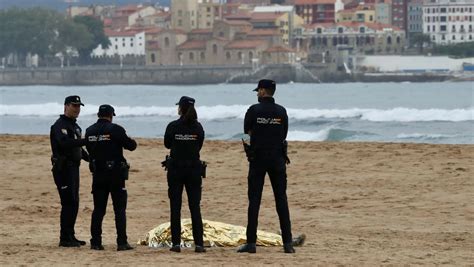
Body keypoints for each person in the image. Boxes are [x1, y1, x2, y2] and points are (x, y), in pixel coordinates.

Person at [238, 79, 295, 254]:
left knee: (254, 200)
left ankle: (251, 243)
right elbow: (284, 132)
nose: (257, 94)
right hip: (277, 159)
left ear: (263, 91)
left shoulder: (253, 110)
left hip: (258, 159)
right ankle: (288, 243)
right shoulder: (281, 111)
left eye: (258, 91)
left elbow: (246, 130)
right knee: (281, 200)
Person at [85, 104, 137, 251]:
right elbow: (131, 146)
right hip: (115, 174)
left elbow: (89, 149)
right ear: (111, 115)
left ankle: (95, 242)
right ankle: (121, 242)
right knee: (119, 209)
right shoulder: (116, 129)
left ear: (98, 115)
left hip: (98, 173)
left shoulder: (89, 131)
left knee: (98, 209)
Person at [164, 96, 206, 253]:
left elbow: (167, 144)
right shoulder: (198, 127)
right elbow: (199, 145)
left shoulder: (173, 126)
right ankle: (199, 244)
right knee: (195, 207)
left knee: (175, 207)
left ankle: (176, 244)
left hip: (176, 169)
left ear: (180, 108)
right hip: (194, 169)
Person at [50, 95, 89, 247]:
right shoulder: (59, 125)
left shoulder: (76, 127)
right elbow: (65, 143)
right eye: (74, 106)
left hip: (74, 168)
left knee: (74, 202)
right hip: (63, 169)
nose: (77, 109)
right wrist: (86, 140)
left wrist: (91, 159)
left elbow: (79, 149)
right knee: (68, 203)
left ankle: (71, 235)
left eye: (79, 106)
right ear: (66, 106)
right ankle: (64, 238)